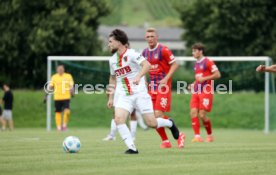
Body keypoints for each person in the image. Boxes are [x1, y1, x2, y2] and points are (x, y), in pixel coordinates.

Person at [107, 29, 185, 154]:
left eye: (110, 41)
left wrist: (138, 76)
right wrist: (111, 97)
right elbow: (112, 78)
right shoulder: (112, 60)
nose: (108, 44)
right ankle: (132, 148)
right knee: (118, 119)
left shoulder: (132, 54)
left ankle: (169, 123)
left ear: (119, 42)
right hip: (124, 95)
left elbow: (147, 65)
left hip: (140, 94)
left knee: (152, 123)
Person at [142, 28, 184, 148]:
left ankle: (177, 134)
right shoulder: (144, 52)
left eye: (152, 36)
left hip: (163, 87)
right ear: (146, 39)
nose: (150, 38)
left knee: (158, 114)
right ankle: (166, 140)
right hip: (152, 88)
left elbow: (175, 64)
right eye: (148, 37)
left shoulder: (163, 50)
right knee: (153, 117)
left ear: (157, 37)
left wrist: (166, 79)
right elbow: (143, 68)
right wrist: (144, 82)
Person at [189, 43, 221, 142]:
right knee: (193, 112)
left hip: (206, 91)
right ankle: (197, 136)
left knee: (202, 114)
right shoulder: (196, 64)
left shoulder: (208, 62)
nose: (193, 53)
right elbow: (199, 78)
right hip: (197, 91)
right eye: (192, 51)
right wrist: (193, 83)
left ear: (201, 51)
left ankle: (210, 135)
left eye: (195, 51)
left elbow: (217, 74)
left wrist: (205, 78)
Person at [48, 65, 74, 131]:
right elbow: (51, 86)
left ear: (63, 69)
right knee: (58, 112)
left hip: (66, 97)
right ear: (57, 70)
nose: (60, 70)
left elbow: (71, 85)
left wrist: (72, 90)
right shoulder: (54, 77)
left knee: (67, 111)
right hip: (57, 97)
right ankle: (59, 127)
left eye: (61, 69)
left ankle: (64, 125)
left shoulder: (68, 76)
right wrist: (47, 92)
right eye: (59, 69)